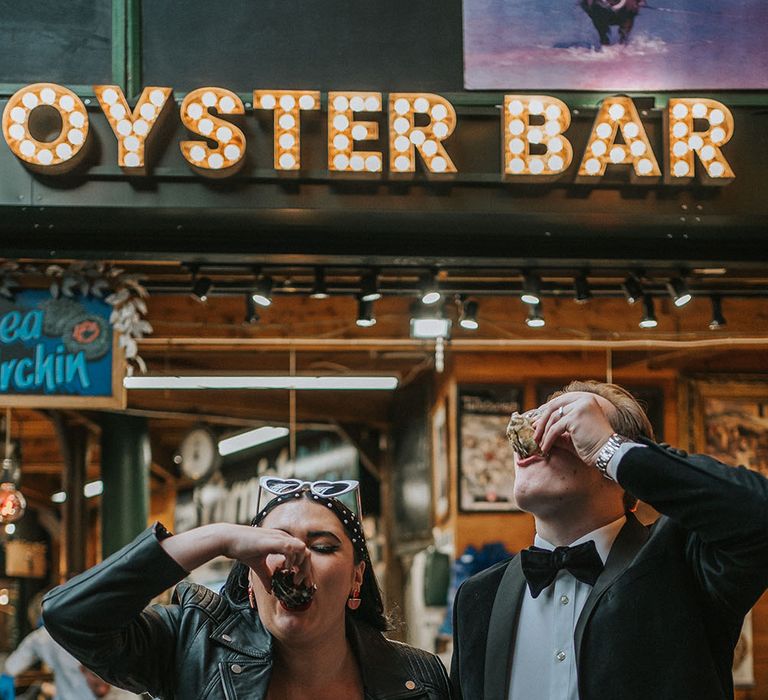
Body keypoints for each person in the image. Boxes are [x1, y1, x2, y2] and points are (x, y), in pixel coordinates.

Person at [450, 380, 768, 700]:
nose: (535, 437)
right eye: (537, 420)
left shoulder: (687, 562)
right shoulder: (478, 596)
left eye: (564, 424)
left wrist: (609, 448)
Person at [41, 478, 452, 699]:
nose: (296, 557)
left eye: (322, 547)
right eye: (272, 545)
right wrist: (216, 539)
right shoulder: (190, 648)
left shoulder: (420, 679)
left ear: (356, 578)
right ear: (251, 580)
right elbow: (71, 616)